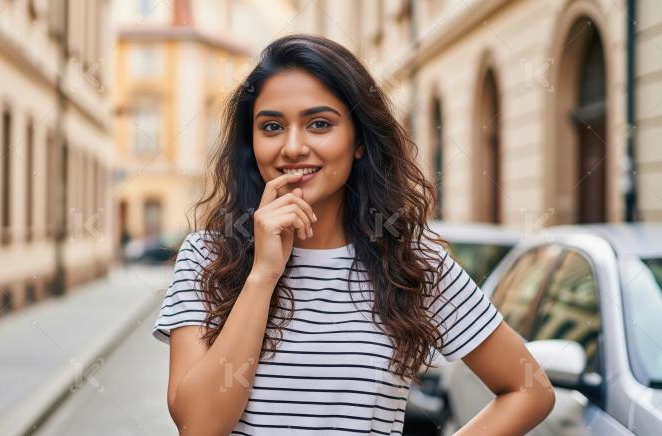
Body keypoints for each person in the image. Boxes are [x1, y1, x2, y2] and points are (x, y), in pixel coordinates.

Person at [152, 33, 555, 435]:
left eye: (319, 124)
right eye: (272, 126)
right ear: (251, 142)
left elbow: (529, 390)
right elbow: (198, 427)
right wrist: (262, 276)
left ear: (358, 141)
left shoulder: (410, 264)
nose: (292, 147)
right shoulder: (206, 257)